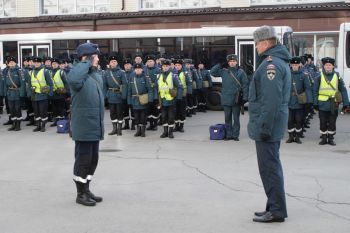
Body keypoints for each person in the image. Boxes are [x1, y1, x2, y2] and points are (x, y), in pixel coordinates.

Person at [248, 25, 291, 223]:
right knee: (271, 166)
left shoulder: (270, 66)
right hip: (273, 124)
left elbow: (271, 101)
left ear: (265, 43)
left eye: (257, 44)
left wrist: (264, 128)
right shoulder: (276, 62)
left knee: (269, 169)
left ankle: (276, 211)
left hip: (268, 126)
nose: (256, 48)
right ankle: (273, 206)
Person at [67, 42, 104, 206]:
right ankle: (80, 194)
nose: (97, 59)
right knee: (83, 160)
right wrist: (85, 62)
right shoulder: (76, 71)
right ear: (86, 58)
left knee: (92, 160)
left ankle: (86, 189)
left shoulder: (92, 73)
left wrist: (91, 66)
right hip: (84, 124)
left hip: (94, 124)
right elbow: (74, 81)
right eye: (95, 56)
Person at [211, 54, 248, 141]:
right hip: (226, 98)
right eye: (230, 61)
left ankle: (235, 135)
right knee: (227, 118)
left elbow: (245, 85)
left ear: (236, 62)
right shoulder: (224, 71)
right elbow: (212, 72)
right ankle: (228, 135)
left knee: (236, 119)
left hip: (236, 99)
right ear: (228, 62)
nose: (232, 63)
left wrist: (245, 98)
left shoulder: (241, 72)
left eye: (233, 61)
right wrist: (220, 64)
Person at [313, 57, 349, 146]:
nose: (328, 67)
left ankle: (331, 138)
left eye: (330, 65)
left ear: (333, 66)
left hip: (334, 103)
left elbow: (343, 90)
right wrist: (315, 103)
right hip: (322, 103)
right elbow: (315, 91)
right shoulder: (319, 77)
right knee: (323, 121)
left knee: (332, 121)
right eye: (326, 65)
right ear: (323, 66)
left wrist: (346, 103)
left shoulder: (337, 76)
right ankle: (324, 138)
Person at [286, 56, 312, 144]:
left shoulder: (303, 75)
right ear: (290, 65)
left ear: (299, 65)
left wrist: (309, 101)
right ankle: (290, 136)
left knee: (298, 120)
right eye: (293, 65)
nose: (294, 66)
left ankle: (297, 136)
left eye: (296, 65)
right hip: (289, 100)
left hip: (299, 101)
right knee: (290, 120)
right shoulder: (287, 75)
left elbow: (307, 88)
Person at [158, 59, 183, 139]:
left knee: (171, 117)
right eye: (164, 66)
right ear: (162, 67)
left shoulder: (173, 75)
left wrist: (178, 97)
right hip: (162, 100)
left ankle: (170, 132)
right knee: (164, 117)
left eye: (167, 66)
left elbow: (179, 87)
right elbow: (156, 87)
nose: (165, 68)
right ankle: (165, 132)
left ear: (169, 67)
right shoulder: (159, 76)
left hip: (171, 100)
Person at [28, 56, 53, 132]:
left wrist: (48, 93)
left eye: (38, 62)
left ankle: (43, 126)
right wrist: (29, 94)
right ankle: (38, 125)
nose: (36, 64)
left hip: (43, 95)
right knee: (36, 111)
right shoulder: (31, 72)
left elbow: (50, 83)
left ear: (41, 63)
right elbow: (29, 84)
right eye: (35, 62)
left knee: (43, 111)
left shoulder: (45, 71)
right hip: (34, 95)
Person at [103, 55, 127, 136]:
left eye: (115, 61)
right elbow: (104, 85)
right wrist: (106, 95)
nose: (113, 63)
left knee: (120, 112)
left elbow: (125, 85)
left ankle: (119, 129)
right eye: (112, 61)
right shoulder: (106, 72)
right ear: (109, 63)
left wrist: (123, 95)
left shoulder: (121, 72)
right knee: (112, 113)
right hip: (111, 95)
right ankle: (114, 129)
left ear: (117, 63)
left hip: (119, 95)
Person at [127, 63, 152, 137]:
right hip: (134, 100)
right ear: (134, 70)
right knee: (136, 116)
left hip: (143, 100)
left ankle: (143, 131)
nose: (138, 70)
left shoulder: (146, 77)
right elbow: (129, 90)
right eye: (136, 69)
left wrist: (150, 99)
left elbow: (150, 89)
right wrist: (129, 101)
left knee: (143, 116)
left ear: (142, 69)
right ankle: (138, 130)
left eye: (139, 69)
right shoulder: (132, 78)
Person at [3, 56, 26, 131]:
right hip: (10, 93)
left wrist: (22, 93)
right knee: (11, 109)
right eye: (10, 63)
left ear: (15, 63)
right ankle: (13, 124)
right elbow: (5, 83)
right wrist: (5, 92)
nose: (12, 64)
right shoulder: (7, 71)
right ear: (8, 64)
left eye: (13, 62)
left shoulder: (20, 71)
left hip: (17, 93)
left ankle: (18, 125)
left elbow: (22, 83)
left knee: (17, 109)